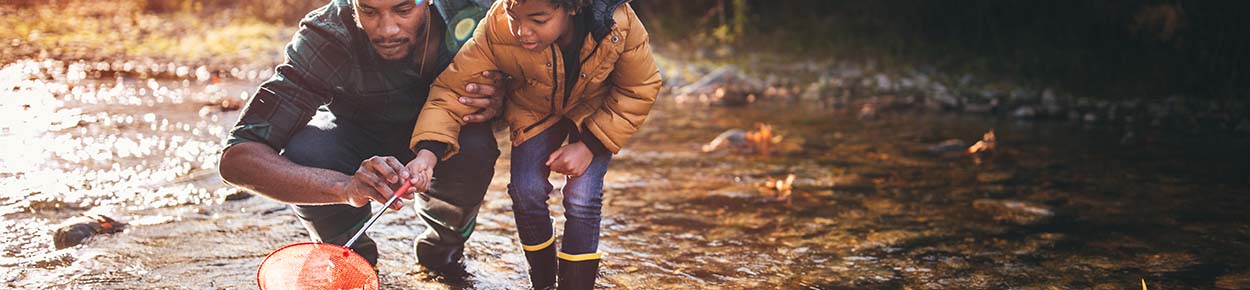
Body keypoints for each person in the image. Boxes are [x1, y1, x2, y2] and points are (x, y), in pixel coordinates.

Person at [218, 0, 507, 276]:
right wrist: (345, 188)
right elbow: (237, 159)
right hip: (351, 137)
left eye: (403, 10)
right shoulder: (326, 35)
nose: (387, 29)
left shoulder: (476, 13)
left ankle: (443, 249)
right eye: (368, 11)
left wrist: (502, 101)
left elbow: (541, 80)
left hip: (443, 139)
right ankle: (351, 259)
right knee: (306, 149)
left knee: (476, 144)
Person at [403, 0, 661, 288]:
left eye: (538, 20)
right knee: (526, 191)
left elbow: (640, 87)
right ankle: (542, 282)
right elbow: (451, 90)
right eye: (515, 17)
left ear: (572, 8)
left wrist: (590, 145)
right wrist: (429, 152)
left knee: (583, 196)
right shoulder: (498, 25)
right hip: (534, 109)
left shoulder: (618, 24)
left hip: (595, 112)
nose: (521, 31)